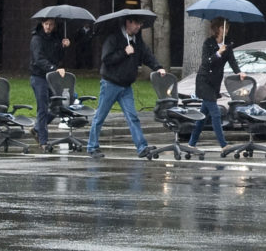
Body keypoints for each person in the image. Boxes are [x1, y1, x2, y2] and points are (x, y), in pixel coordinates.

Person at [87, 15, 165, 159]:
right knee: (100, 116)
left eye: (140, 24)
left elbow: (146, 55)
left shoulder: (137, 40)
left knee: (133, 117)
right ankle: (92, 146)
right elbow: (107, 59)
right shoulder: (113, 38)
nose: (138, 27)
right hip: (110, 83)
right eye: (136, 23)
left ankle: (141, 147)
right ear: (128, 22)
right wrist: (124, 52)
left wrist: (158, 67)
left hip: (126, 86)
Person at [188, 17, 244, 149]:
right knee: (215, 113)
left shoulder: (227, 44)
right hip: (204, 80)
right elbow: (206, 62)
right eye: (223, 27)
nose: (226, 30)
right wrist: (218, 53)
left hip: (214, 83)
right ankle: (223, 145)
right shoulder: (208, 43)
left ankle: (191, 143)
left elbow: (232, 61)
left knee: (203, 116)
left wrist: (239, 72)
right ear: (217, 29)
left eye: (227, 28)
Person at [29, 17, 70, 152]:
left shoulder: (55, 39)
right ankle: (43, 141)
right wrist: (53, 68)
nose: (48, 27)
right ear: (42, 24)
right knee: (42, 107)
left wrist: (63, 47)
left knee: (58, 105)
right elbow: (38, 59)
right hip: (39, 77)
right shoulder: (36, 39)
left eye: (51, 25)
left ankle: (37, 129)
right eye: (46, 24)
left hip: (51, 77)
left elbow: (58, 58)